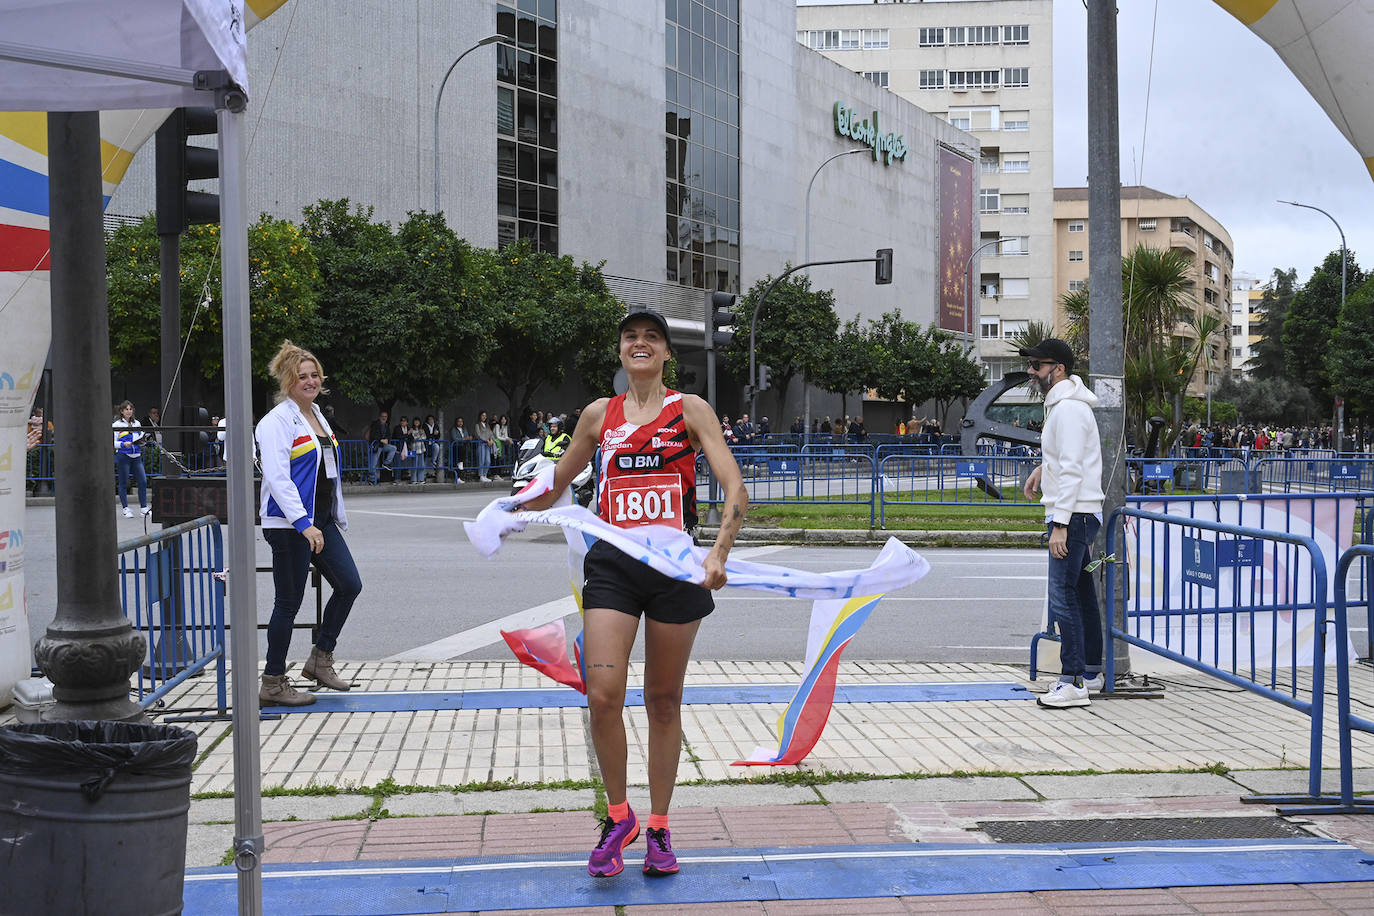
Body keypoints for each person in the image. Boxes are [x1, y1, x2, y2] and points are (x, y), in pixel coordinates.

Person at [523, 308, 747, 879]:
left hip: (675, 569)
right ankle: (618, 817)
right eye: (631, 338)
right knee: (602, 693)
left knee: (663, 701)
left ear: (667, 353)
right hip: (614, 568)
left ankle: (661, 827)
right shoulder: (600, 415)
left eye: (652, 338)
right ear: (620, 352)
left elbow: (733, 485)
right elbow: (558, 482)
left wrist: (718, 551)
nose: (640, 344)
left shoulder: (690, 411)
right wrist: (509, 510)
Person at [254, 340, 362, 706]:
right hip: (289, 525)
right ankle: (272, 681)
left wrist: (328, 518)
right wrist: (302, 523)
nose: (311, 381)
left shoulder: (317, 414)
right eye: (302, 376)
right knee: (288, 602)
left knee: (349, 584)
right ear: (288, 381)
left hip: (320, 522)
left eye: (315, 374)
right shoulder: (276, 423)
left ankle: (320, 659)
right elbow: (278, 478)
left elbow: (326, 472)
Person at [1019, 338, 1106, 709]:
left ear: (1058, 369)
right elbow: (1069, 459)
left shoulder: (1068, 409)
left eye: (1037, 365)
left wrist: (1060, 523)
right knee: (1082, 593)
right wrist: (1043, 468)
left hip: (1074, 515)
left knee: (1064, 596)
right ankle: (1090, 672)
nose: (1031, 372)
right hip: (1082, 513)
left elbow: (1072, 470)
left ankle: (1072, 683)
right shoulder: (1065, 405)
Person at [112, 400, 150, 518]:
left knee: (143, 481)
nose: (129, 411)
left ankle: (144, 508)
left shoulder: (137, 423)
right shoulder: (116, 425)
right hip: (123, 456)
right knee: (124, 483)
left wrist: (142, 440)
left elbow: (139, 437)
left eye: (130, 409)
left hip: (136, 456)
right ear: (122, 411)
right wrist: (123, 444)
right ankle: (125, 508)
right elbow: (112, 442)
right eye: (126, 409)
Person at [365, 410, 397, 485]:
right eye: (382, 416)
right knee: (374, 464)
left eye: (385, 416)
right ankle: (371, 479)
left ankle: (386, 463)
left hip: (383, 445)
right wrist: (381, 439)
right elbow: (373, 435)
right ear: (379, 417)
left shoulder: (386, 425)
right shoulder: (375, 424)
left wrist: (387, 439)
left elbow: (389, 435)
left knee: (393, 448)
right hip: (376, 445)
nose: (384, 418)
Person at [474, 410, 495, 482]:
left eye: (485, 416)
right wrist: (487, 440)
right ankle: (481, 475)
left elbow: (491, 434)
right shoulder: (477, 425)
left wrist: (491, 440)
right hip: (481, 444)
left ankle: (485, 474)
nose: (484, 417)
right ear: (480, 416)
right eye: (483, 415)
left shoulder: (487, 425)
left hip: (487, 445)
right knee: (481, 460)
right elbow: (478, 435)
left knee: (488, 461)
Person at [449, 416, 471, 482]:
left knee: (461, 463)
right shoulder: (453, 429)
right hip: (456, 447)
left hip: (463, 447)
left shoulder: (464, 429)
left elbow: (467, 436)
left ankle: (459, 477)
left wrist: (467, 438)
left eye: (461, 421)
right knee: (458, 463)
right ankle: (457, 478)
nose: (460, 423)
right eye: (459, 421)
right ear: (456, 422)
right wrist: (463, 439)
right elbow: (455, 438)